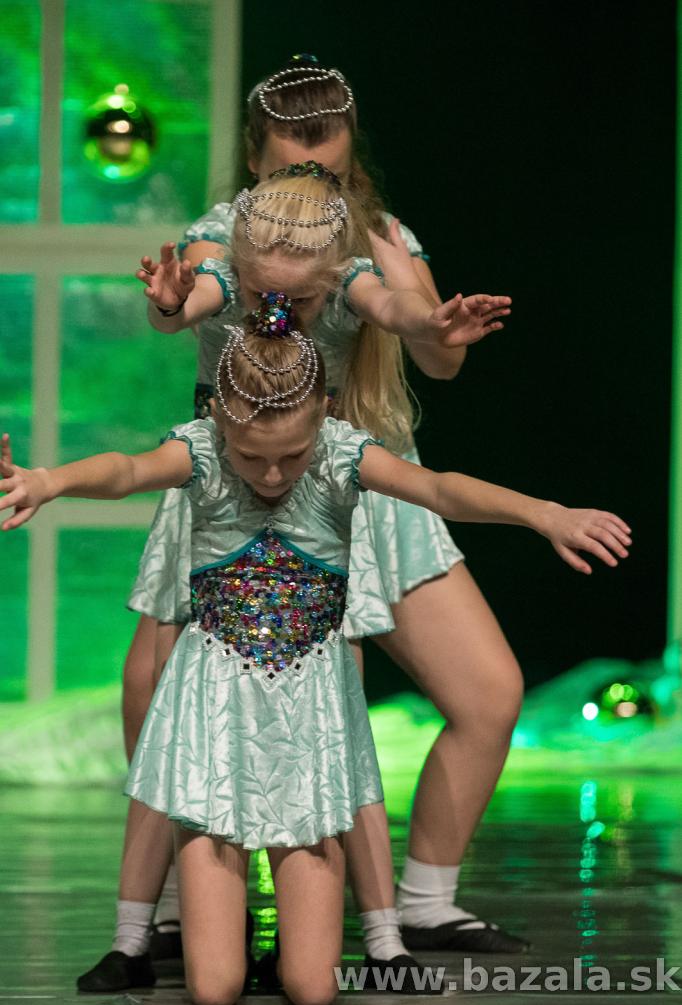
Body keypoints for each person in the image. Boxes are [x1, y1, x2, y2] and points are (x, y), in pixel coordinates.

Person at [0, 318, 631, 1005]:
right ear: (219, 420)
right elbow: (125, 471)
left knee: (311, 988)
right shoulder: (202, 451)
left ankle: (333, 935)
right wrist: (48, 481)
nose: (272, 475)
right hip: (214, 724)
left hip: (307, 729)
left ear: (325, 414)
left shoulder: (341, 454)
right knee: (213, 990)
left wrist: (543, 513)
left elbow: (441, 490)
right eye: (253, 457)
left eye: (291, 456)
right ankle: (192, 929)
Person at [127, 55, 532, 959]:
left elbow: (435, 353)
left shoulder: (380, 239)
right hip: (247, 493)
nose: (313, 176)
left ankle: (424, 902)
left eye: (330, 164)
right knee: (153, 687)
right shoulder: (223, 233)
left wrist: (431, 318)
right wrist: (170, 306)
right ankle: (179, 909)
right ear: (255, 159)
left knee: (489, 692)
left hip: (366, 478)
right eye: (292, 160)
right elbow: (193, 294)